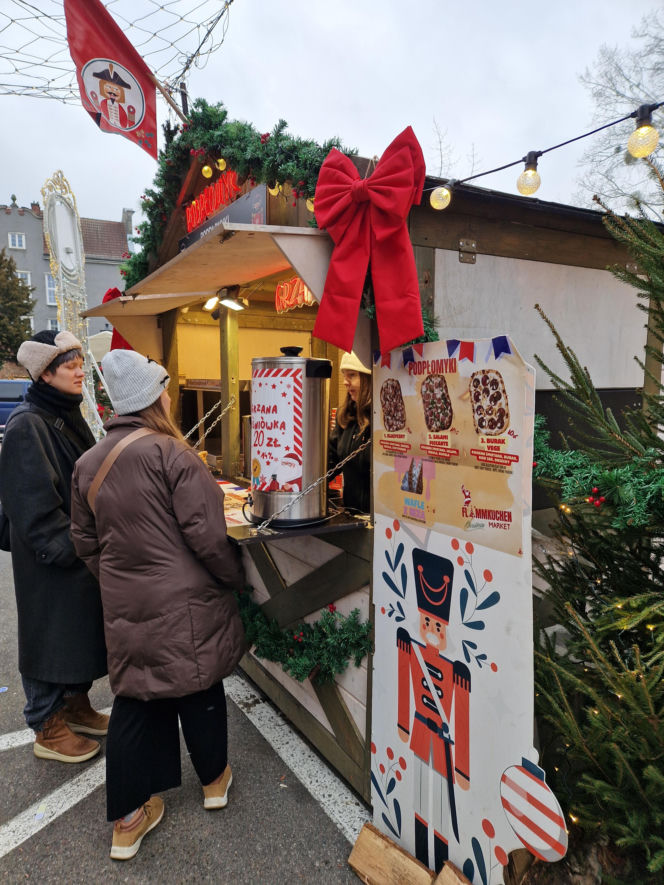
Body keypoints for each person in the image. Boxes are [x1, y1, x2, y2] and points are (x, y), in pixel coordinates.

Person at [70, 349, 246, 862]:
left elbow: (84, 541)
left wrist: (121, 583)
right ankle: (214, 782)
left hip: (127, 606)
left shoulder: (87, 463)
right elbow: (209, 537)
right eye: (164, 388)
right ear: (152, 398)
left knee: (135, 701)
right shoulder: (175, 454)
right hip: (188, 602)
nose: (170, 395)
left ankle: (127, 823)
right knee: (199, 685)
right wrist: (235, 578)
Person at [0, 330, 108, 763]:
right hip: (50, 558)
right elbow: (34, 510)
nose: (81, 371)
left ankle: (73, 704)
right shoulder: (28, 424)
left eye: (80, 362)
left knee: (75, 635)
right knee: (48, 637)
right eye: (70, 365)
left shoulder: (60, 411)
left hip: (72, 548)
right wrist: (74, 550)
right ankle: (45, 723)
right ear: (45, 373)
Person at [328, 350, 372, 513]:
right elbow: (330, 461)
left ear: (369, 378)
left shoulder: (384, 421)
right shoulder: (346, 416)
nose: (345, 382)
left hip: (379, 520)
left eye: (352, 375)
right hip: (353, 515)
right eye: (344, 375)